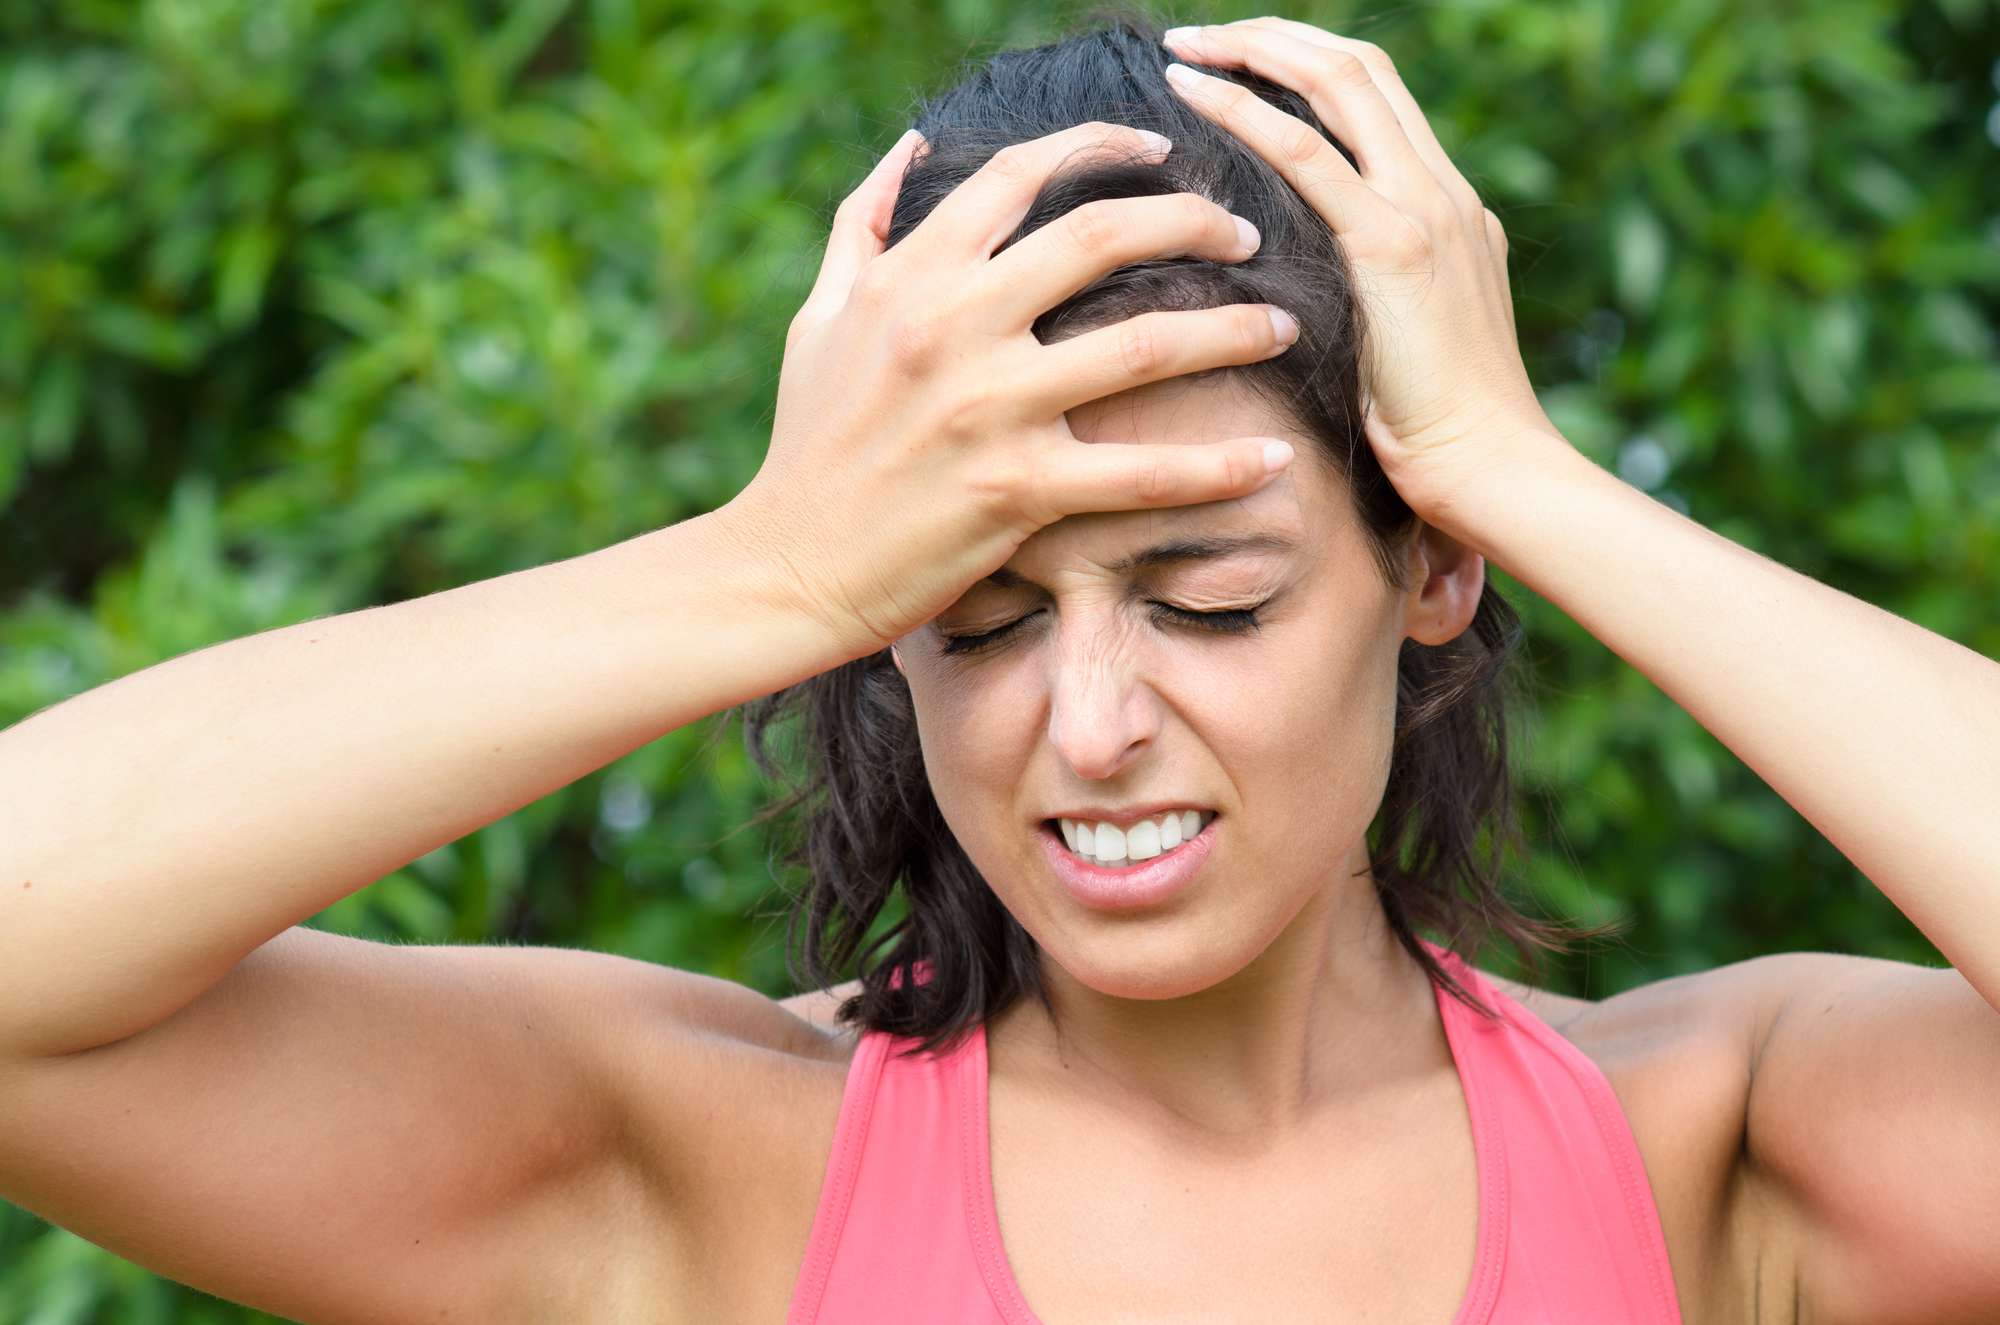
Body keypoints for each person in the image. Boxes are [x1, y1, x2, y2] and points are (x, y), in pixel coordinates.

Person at [2, 12, 1997, 1325]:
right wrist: (770, 563)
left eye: (1210, 600)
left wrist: (1517, 468)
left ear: (1430, 567)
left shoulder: (1709, 1149)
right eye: (979, 616)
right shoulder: (707, 1166)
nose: (1091, 725)